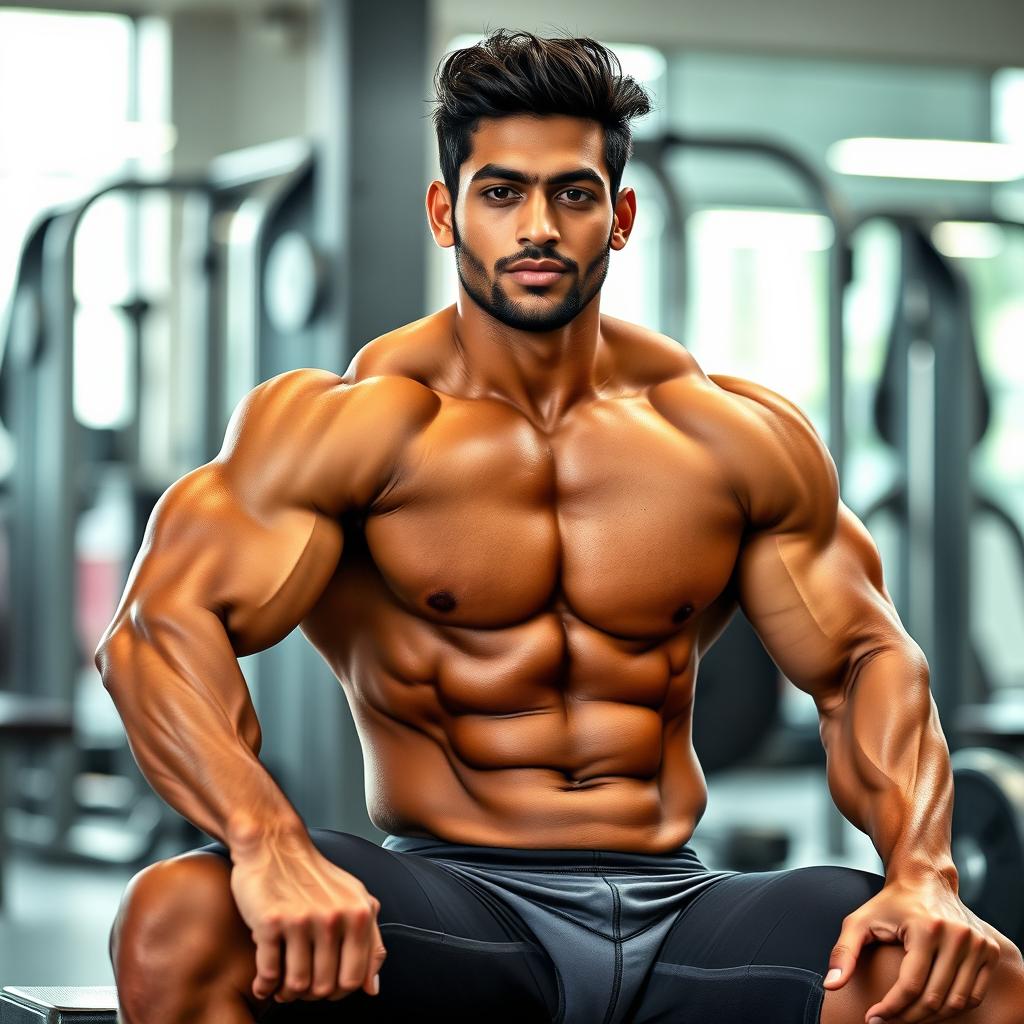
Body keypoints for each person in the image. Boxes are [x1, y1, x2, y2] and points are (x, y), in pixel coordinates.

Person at [96, 28, 1024, 1024]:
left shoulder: (725, 435)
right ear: (446, 212)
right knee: (180, 917)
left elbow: (862, 663)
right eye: (501, 192)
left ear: (618, 217)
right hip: (458, 903)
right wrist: (267, 843)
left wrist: (922, 871)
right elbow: (156, 632)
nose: (537, 225)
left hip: (681, 906)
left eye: (572, 194)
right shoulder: (347, 426)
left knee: (968, 974)